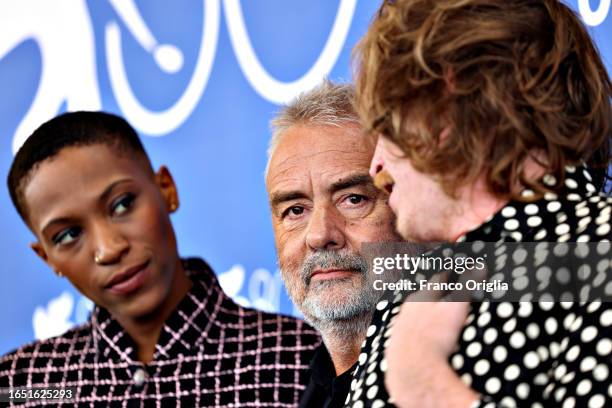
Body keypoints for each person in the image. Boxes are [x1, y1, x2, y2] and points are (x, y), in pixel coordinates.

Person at [345, 0, 612, 407]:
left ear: (441, 101)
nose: (376, 167)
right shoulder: (418, 284)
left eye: (387, 125)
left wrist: (425, 386)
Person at [0, 111, 321, 406]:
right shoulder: (22, 387)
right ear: (47, 258)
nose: (109, 248)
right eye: (67, 235)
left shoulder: (302, 361)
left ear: (166, 189)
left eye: (122, 204)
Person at [265, 81, 405, 408]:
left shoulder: (467, 348)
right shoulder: (313, 384)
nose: (319, 235)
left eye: (353, 199)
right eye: (295, 210)